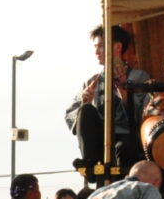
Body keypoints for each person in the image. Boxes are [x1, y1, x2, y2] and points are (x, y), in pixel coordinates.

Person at [65, 25, 152, 170]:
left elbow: (145, 114)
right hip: (98, 140)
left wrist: (124, 93)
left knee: (123, 147)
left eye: (100, 46)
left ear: (117, 47)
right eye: (95, 47)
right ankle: (90, 164)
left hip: (127, 136)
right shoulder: (92, 81)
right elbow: (70, 113)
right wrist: (84, 102)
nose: (96, 52)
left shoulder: (139, 77)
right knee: (85, 110)